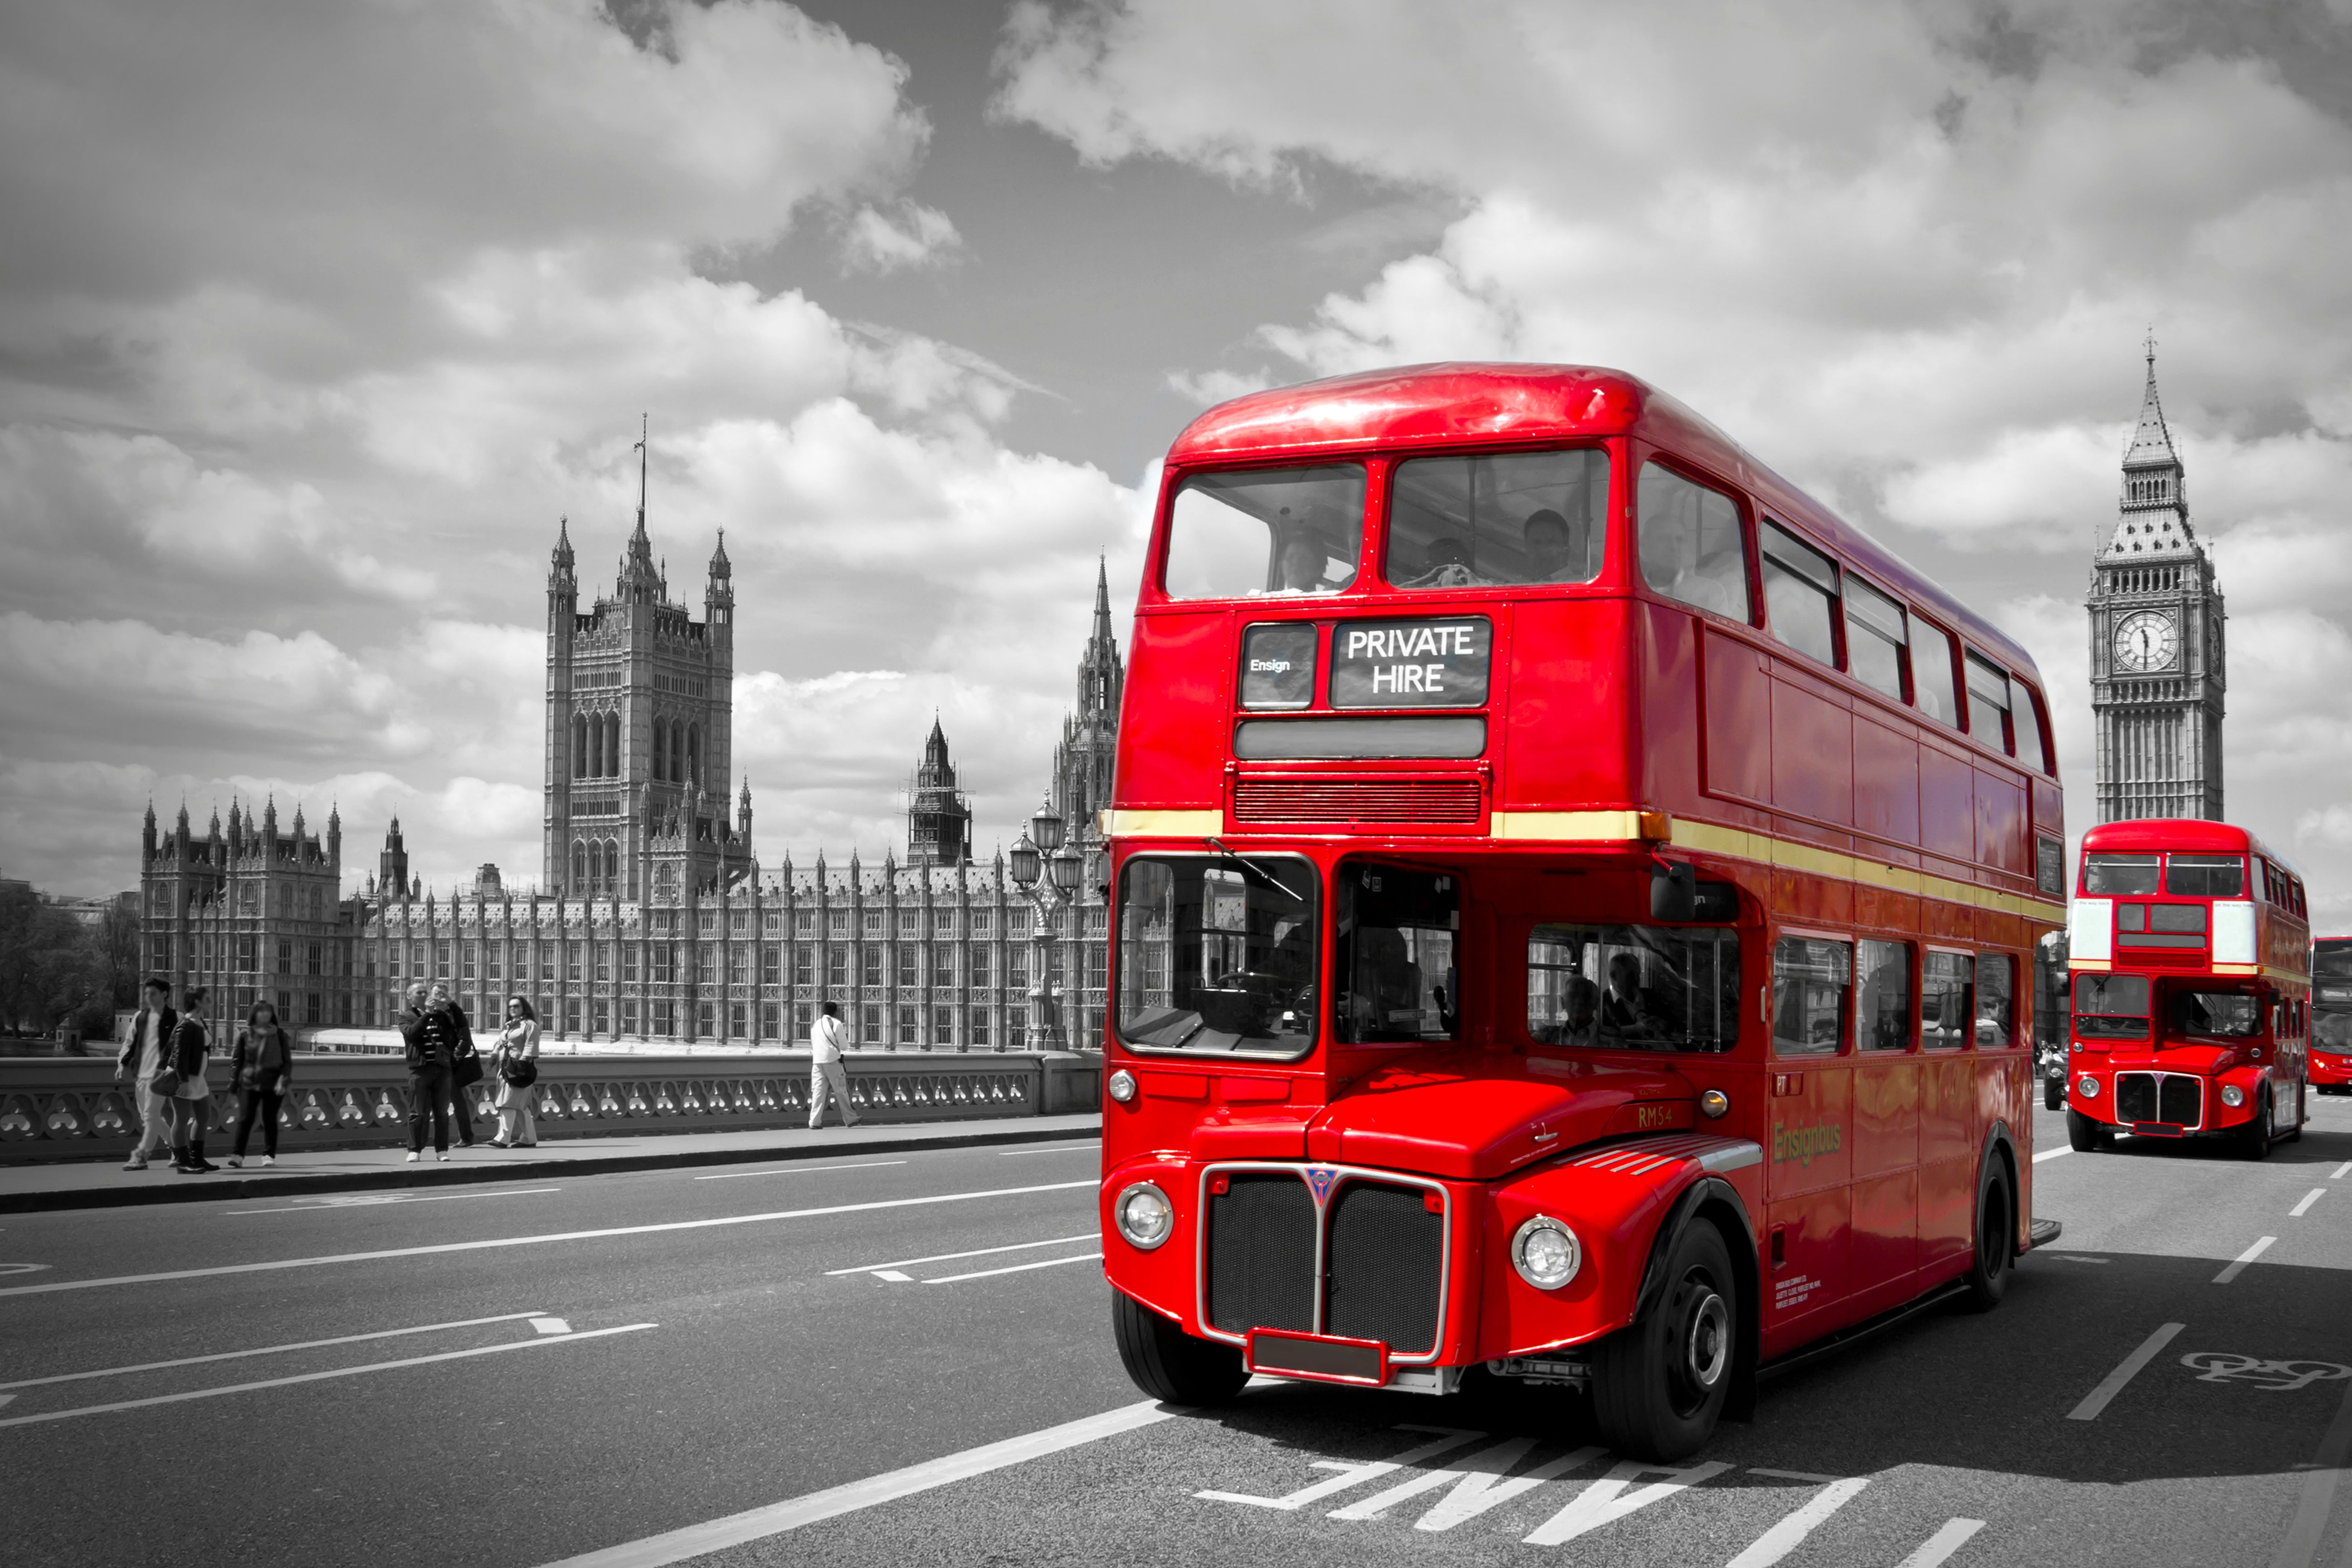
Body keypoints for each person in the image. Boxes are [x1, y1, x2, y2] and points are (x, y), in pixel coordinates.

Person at [114, 977, 176, 1171]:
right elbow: (129, 1043)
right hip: (142, 1072)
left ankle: (141, 1157)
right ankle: (178, 1149)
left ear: (165, 994)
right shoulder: (140, 1016)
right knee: (148, 1117)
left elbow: (183, 1047)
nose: (148, 996)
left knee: (150, 1115)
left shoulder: (177, 1018)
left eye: (153, 993)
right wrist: (122, 1063)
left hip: (162, 1073)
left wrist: (173, 1069)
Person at [227, 999, 293, 1168]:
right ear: (254, 1014)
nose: (265, 1014)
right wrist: (234, 1083)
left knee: (270, 1119)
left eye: (268, 1011)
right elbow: (237, 1061)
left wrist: (283, 1080)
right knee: (245, 1119)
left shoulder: (280, 1035)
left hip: (273, 1080)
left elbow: (287, 1062)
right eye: (261, 1011)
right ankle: (238, 1155)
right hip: (250, 1081)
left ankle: (269, 1155)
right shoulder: (245, 1034)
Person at [397, 981, 453, 1161]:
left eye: (425, 993)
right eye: (419, 993)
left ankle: (442, 1150)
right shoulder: (405, 1017)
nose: (423, 995)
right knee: (417, 1113)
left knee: (442, 1113)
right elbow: (411, 1033)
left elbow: (453, 1035)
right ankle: (414, 1150)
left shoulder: (439, 1016)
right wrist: (427, 1015)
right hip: (420, 1070)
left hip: (441, 1070)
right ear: (409, 997)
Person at [167, 987, 216, 1174]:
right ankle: (182, 1162)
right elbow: (178, 1055)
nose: (211, 1001)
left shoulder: (201, 1022)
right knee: (182, 1119)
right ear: (198, 1002)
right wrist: (183, 1081)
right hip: (185, 1079)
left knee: (204, 1116)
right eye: (207, 998)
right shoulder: (185, 1024)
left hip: (199, 1078)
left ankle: (197, 1158)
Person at [428, 983, 480, 1147]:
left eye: (442, 994)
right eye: (435, 994)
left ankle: (466, 1137)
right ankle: (419, 1139)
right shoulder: (428, 1014)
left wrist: (452, 1061)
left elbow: (465, 1039)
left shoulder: (455, 1014)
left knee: (457, 1102)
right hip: (431, 1065)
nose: (438, 997)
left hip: (448, 1066)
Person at [486, 996, 541, 1148]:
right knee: (521, 1106)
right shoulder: (508, 1025)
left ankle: (503, 1138)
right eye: (510, 1007)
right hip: (506, 1068)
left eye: (516, 1006)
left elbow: (531, 1045)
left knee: (507, 1103)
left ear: (524, 1007)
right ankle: (529, 1139)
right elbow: (500, 1043)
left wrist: (523, 1063)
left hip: (518, 1069)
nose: (513, 1009)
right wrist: (493, 1057)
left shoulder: (530, 1026)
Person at [808, 1001, 860, 1129]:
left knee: (818, 1092)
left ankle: (814, 1122)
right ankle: (851, 1119)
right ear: (836, 1012)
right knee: (841, 1091)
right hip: (832, 1062)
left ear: (823, 1011)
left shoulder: (816, 1024)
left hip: (817, 1062)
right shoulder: (836, 1024)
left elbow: (813, 1042)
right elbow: (844, 1046)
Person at [1523, 508, 1590, 583]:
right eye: (1537, 543)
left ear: (1566, 548)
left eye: (1551, 542)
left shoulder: (1579, 586)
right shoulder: (1519, 585)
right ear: (1527, 548)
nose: (1543, 550)